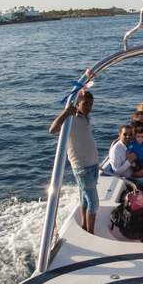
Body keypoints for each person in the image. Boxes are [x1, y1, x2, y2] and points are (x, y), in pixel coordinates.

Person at [49, 91, 99, 234]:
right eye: (85, 104)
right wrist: (66, 112)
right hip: (82, 168)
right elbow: (52, 129)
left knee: (85, 199)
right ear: (77, 103)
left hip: (93, 166)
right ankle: (91, 233)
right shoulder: (70, 119)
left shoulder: (85, 117)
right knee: (94, 204)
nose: (89, 107)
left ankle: (85, 226)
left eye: (91, 104)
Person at [106, 124, 143, 208]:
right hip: (128, 178)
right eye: (125, 134)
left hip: (139, 171)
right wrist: (129, 162)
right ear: (119, 134)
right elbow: (116, 173)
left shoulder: (134, 144)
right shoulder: (116, 150)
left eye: (130, 134)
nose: (128, 136)